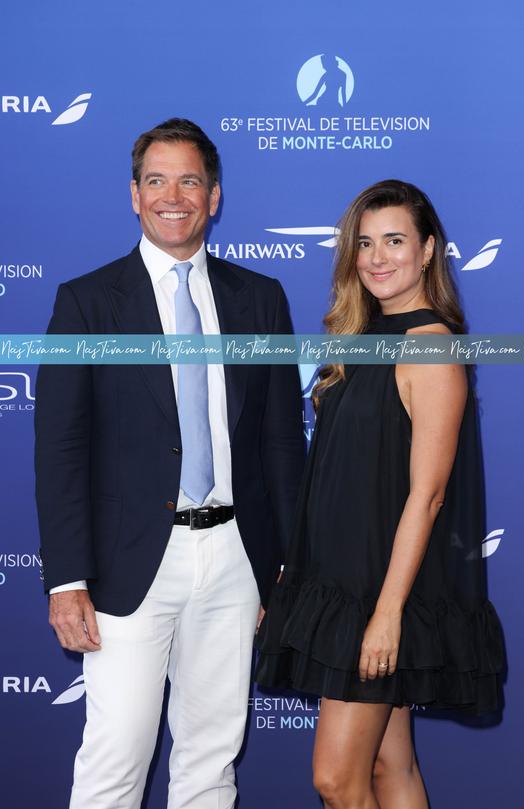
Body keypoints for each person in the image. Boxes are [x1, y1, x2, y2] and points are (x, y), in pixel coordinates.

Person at [35, 117, 305, 809]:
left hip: (236, 558)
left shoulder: (260, 298)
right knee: (115, 756)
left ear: (213, 196)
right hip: (126, 565)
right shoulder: (87, 302)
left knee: (211, 757)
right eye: (156, 180)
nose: (173, 195)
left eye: (190, 180)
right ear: (134, 195)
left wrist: (287, 563)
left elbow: (280, 438)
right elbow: (60, 448)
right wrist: (65, 577)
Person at [255, 180, 505, 808]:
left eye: (394, 240)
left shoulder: (431, 349)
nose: (376, 257)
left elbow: (427, 495)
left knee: (335, 780)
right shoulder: (361, 338)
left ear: (427, 251)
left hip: (380, 592)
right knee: (392, 771)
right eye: (364, 243)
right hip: (341, 579)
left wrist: (387, 614)